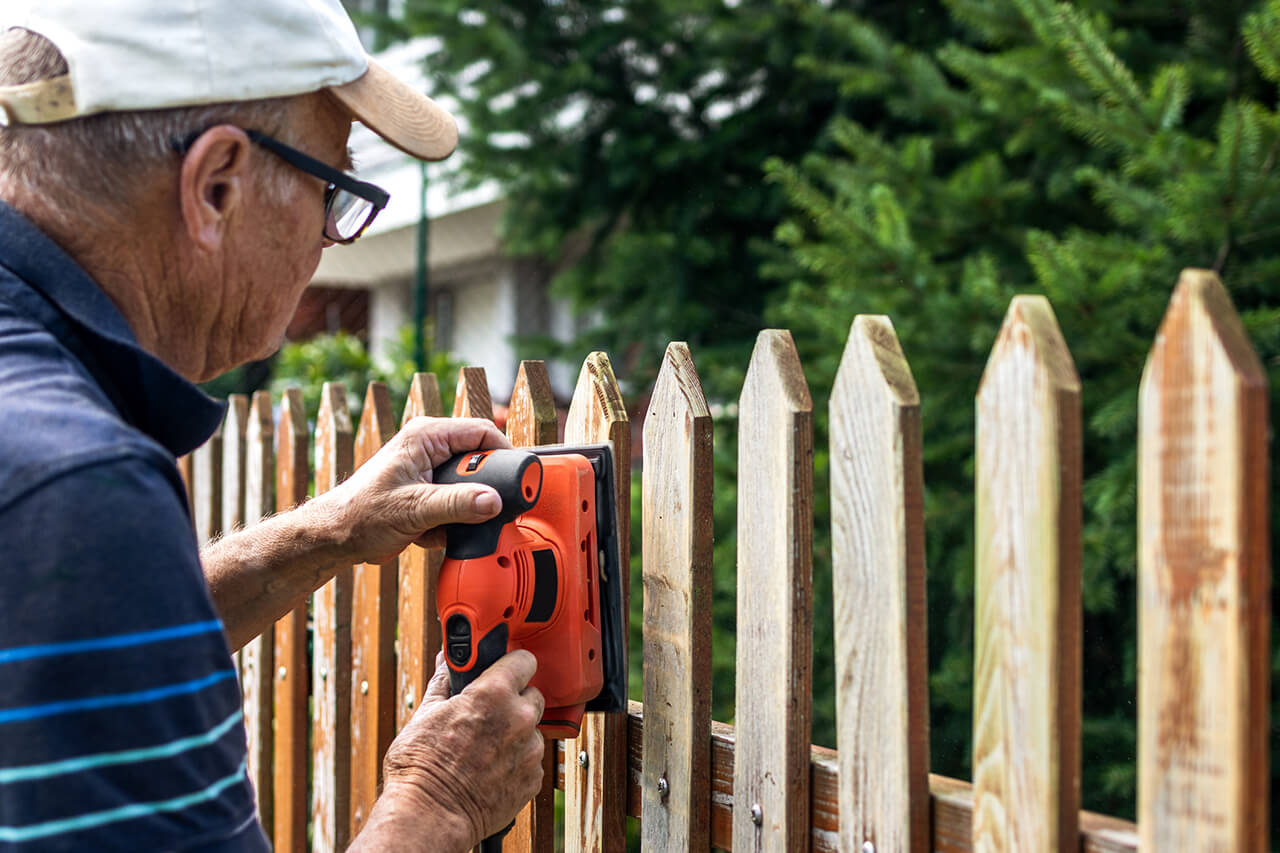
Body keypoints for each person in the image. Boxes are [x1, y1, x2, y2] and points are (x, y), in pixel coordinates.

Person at [0, 1, 546, 850]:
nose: (332, 239)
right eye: (332, 188)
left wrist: (332, 530)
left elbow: (64, 650)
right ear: (216, 184)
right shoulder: (71, 484)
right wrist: (435, 806)